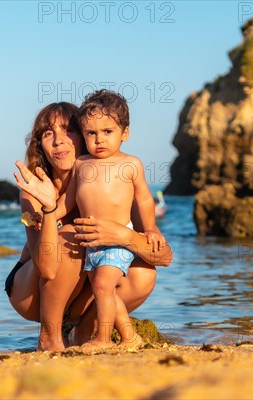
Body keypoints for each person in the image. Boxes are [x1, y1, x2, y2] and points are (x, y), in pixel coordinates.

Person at [9, 102, 172, 352]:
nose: (58, 141)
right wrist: (50, 209)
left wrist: (123, 235)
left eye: (68, 131)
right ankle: (49, 338)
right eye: (48, 134)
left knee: (144, 273)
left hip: (84, 291)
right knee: (72, 235)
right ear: (39, 143)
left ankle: (84, 331)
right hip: (32, 294)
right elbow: (46, 267)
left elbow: (163, 257)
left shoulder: (115, 181)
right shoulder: (34, 191)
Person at [52, 90, 166, 350]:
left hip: (118, 239)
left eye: (107, 132)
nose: (99, 139)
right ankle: (129, 337)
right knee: (105, 292)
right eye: (91, 133)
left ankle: (102, 339)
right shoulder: (81, 164)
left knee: (103, 285)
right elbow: (68, 201)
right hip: (93, 244)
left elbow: (145, 200)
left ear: (124, 133)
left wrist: (150, 228)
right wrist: (48, 215)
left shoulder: (130, 164)